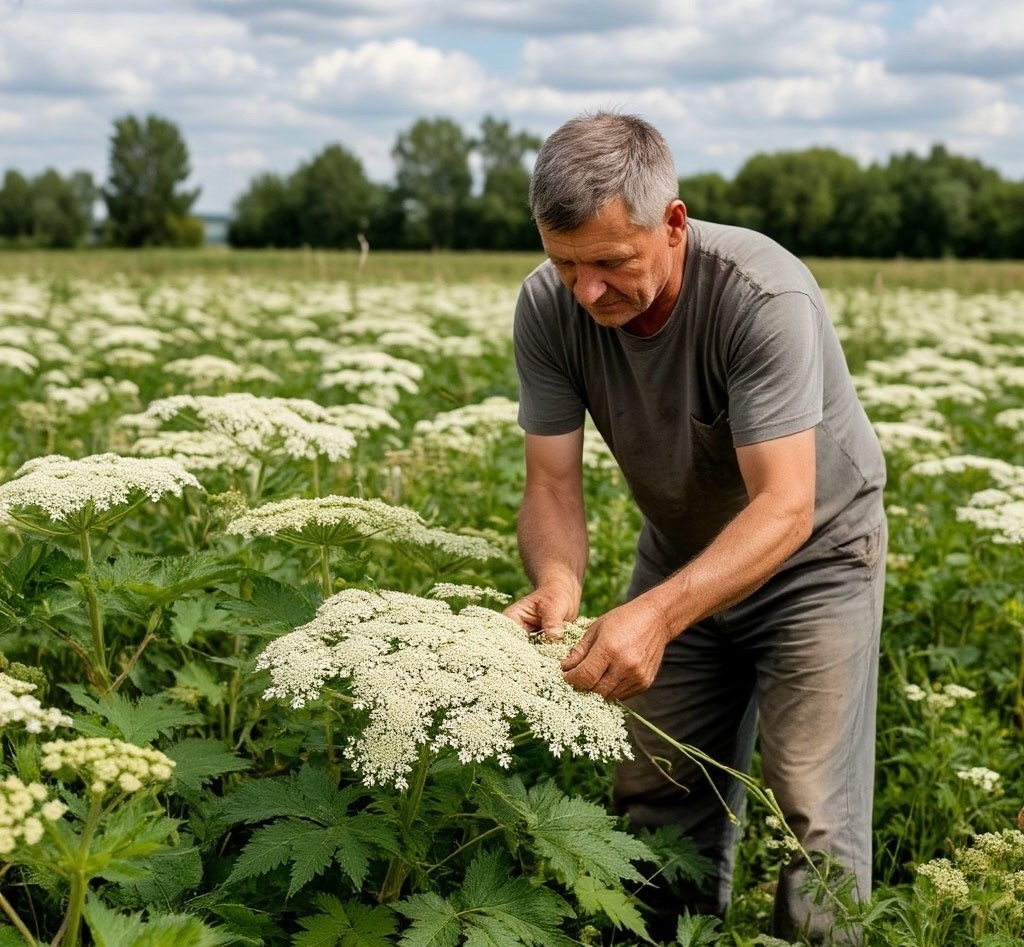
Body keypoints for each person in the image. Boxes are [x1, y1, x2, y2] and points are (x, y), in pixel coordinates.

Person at [504, 111, 887, 946]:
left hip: (817, 558)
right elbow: (551, 482)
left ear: (673, 223)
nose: (586, 292)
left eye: (610, 263)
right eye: (565, 262)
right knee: (653, 791)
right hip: (682, 551)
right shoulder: (547, 306)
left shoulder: (761, 295)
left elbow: (785, 507)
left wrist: (659, 616)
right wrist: (560, 584)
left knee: (813, 816)